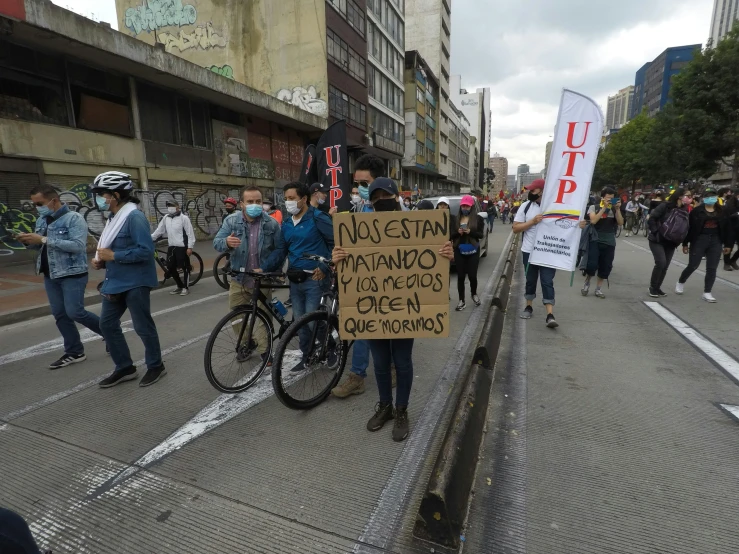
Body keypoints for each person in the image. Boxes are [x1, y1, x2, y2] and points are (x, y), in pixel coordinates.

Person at [331, 177, 455, 441]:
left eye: (385, 196)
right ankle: (385, 406)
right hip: (373, 309)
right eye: (375, 198)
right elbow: (349, 267)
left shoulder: (418, 226)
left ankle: (401, 410)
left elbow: (432, 260)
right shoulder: (357, 227)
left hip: (404, 310)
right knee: (380, 363)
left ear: (397, 197)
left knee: (402, 361)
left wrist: (445, 253)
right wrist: (337, 259)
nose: (380, 202)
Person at [91, 171, 165, 388]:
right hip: (115, 280)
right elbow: (112, 247)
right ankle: (125, 367)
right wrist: (102, 261)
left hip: (136, 281)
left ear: (114, 195)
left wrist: (114, 256)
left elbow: (146, 251)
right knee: (107, 324)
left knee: (142, 326)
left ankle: (156, 365)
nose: (98, 199)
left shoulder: (134, 217)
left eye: (101, 194)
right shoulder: (114, 217)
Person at [332, 156, 396, 399]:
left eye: (365, 183)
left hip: (393, 284)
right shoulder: (356, 210)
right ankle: (357, 377)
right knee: (362, 329)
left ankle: (392, 367)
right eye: (356, 183)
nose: (359, 188)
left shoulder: (402, 212)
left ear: (379, 181)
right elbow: (347, 246)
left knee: (391, 329)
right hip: (364, 283)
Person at [17, 185, 102, 370]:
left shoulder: (74, 218)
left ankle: (111, 333)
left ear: (53, 201)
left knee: (75, 312)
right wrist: (27, 242)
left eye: (39, 203)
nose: (36, 207)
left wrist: (44, 239)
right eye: (34, 204)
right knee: (60, 315)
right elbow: (39, 246)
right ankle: (75, 352)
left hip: (72, 273)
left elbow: (78, 246)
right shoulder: (42, 219)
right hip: (50, 274)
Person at [261, 182, 335, 371]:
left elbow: (334, 244)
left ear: (304, 199)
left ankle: (332, 348)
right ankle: (307, 355)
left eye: (292, 198)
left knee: (312, 321)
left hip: (315, 279)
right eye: (286, 199)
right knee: (300, 322)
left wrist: (324, 268)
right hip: (295, 279)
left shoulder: (319, 218)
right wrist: (264, 268)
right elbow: (281, 250)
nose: (288, 202)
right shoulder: (286, 224)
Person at [213, 186, 282, 364]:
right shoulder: (231, 221)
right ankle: (246, 344)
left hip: (261, 280)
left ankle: (265, 350)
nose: (255, 205)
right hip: (238, 278)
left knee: (262, 318)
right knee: (237, 318)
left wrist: (267, 267)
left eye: (258, 201)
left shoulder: (271, 224)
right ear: (242, 204)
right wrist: (226, 242)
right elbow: (217, 242)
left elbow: (279, 250)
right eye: (250, 202)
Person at [513, 179, 558, 328]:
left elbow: (566, 227)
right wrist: (532, 221)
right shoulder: (525, 207)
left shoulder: (555, 207)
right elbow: (516, 228)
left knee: (547, 281)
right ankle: (529, 306)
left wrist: (579, 225)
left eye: (533, 190)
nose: (530, 193)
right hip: (529, 251)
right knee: (530, 280)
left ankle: (550, 315)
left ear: (542, 191)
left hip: (548, 252)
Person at [676, 188, 731, 303]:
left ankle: (707, 292)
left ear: (716, 198)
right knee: (693, 265)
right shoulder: (697, 211)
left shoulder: (722, 211)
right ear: (704, 199)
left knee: (712, 268)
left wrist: (728, 244)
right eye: (709, 197)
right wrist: (685, 243)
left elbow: (727, 229)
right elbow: (690, 228)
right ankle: (681, 281)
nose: (711, 199)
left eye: (713, 197)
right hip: (699, 240)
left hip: (716, 240)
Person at [646, 188, 692, 297]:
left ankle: (657, 288)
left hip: (672, 242)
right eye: (688, 195)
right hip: (657, 239)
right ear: (680, 196)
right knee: (661, 262)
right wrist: (656, 231)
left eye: (690, 196)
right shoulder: (665, 206)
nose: (690, 198)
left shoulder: (685, 210)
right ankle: (652, 287)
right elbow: (652, 219)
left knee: (665, 266)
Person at [581, 187, 624, 299]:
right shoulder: (593, 207)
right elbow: (594, 221)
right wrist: (603, 208)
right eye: (608, 198)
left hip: (609, 240)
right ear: (602, 197)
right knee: (592, 264)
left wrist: (618, 209)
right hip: (595, 239)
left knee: (606, 266)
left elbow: (620, 223)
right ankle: (587, 283)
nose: (610, 200)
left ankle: (598, 289)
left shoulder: (615, 209)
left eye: (612, 199)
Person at [150, 200, 196, 296]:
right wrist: (149, 238)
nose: (170, 207)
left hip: (182, 246)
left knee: (184, 267)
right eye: (168, 206)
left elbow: (190, 233)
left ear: (177, 206)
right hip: (172, 246)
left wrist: (190, 247)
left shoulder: (184, 218)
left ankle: (186, 287)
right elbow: (159, 231)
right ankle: (179, 285)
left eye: (172, 205)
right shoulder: (166, 218)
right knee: (170, 267)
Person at [451, 195, 484, 311]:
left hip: (473, 249)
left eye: (467, 206)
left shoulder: (478, 219)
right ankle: (461, 300)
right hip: (459, 249)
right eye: (463, 206)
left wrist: (470, 232)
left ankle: (474, 293)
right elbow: (450, 235)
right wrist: (458, 233)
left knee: (472, 276)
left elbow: (481, 235)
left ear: (472, 207)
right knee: (460, 276)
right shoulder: (455, 219)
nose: (465, 208)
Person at [722, 194, 739, 271]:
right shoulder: (729, 204)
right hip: (730, 229)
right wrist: (736, 214)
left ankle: (733, 260)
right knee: (729, 247)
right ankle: (726, 263)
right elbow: (726, 217)